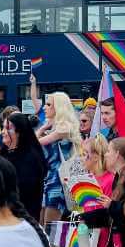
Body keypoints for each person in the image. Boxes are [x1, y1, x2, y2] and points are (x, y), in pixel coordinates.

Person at [37, 92, 82, 224]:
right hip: (50, 179)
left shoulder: (64, 128)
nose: (44, 107)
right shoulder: (57, 128)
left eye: (48, 104)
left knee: (50, 231)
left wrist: (43, 127)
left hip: (59, 181)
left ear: (59, 107)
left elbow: (34, 142)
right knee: (43, 227)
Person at [1, 113, 47, 222]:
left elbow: (24, 189)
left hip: (23, 217)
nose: (3, 132)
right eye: (3, 127)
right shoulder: (3, 153)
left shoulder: (31, 157)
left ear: (20, 132)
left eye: (8, 128)